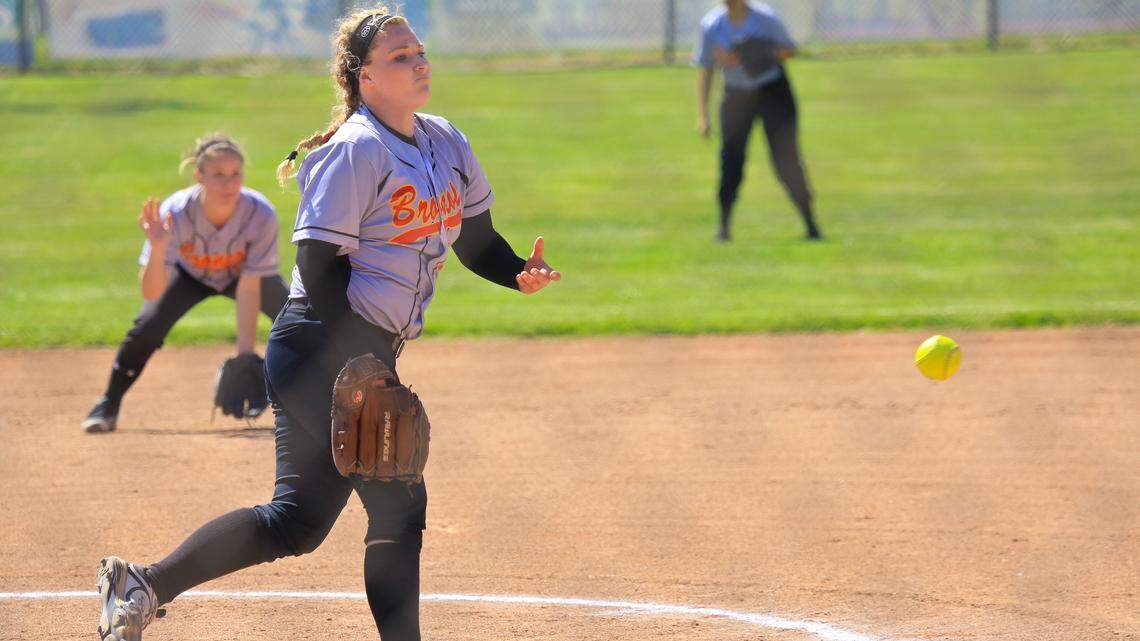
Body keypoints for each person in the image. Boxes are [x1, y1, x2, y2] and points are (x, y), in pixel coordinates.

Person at [94, 6, 561, 641]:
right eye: (399, 56)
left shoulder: (445, 140)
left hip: (359, 350)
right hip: (320, 341)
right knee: (400, 502)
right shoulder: (356, 150)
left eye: (418, 51)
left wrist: (516, 273)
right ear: (363, 77)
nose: (418, 62)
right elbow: (317, 263)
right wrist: (355, 361)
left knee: (297, 522)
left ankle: (142, 584)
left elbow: (473, 237)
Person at [82, 134, 288, 433]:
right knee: (147, 326)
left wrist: (245, 355)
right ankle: (108, 403)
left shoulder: (260, 213)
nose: (229, 183)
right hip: (190, 275)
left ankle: (320, 407)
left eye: (235, 174)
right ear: (199, 176)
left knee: (297, 319)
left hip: (243, 275)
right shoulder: (175, 213)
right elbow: (151, 292)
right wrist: (158, 247)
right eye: (218, 175)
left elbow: (248, 287)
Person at [695, 0, 823, 242]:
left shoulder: (765, 18)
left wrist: (760, 52)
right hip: (736, 96)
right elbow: (706, 68)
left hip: (772, 92)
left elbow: (789, 50)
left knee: (785, 159)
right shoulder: (712, 25)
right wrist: (703, 114)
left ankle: (811, 224)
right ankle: (724, 228)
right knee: (731, 160)